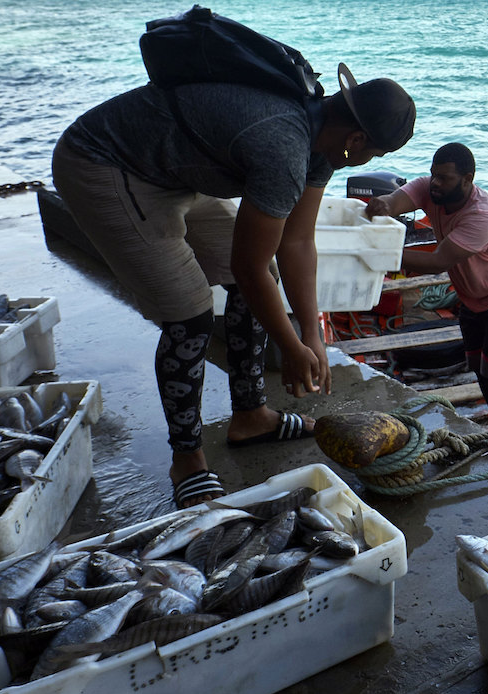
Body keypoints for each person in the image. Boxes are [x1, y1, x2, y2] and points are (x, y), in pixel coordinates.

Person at [51, 63, 416, 508]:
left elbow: (297, 242)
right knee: (189, 314)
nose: (369, 163)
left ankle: (251, 415)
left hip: (175, 170)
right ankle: (187, 458)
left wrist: (311, 335)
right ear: (356, 140)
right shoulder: (285, 144)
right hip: (105, 163)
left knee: (261, 280)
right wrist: (290, 343)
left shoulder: (324, 141)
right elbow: (249, 266)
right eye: (375, 155)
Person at [365, 143, 488, 435]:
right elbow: (394, 203)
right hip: (472, 298)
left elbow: (437, 261)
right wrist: (382, 205)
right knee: (477, 365)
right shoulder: (428, 189)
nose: (435, 183)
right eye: (433, 175)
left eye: (444, 178)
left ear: (467, 179)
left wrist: (376, 253)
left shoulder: (483, 214)